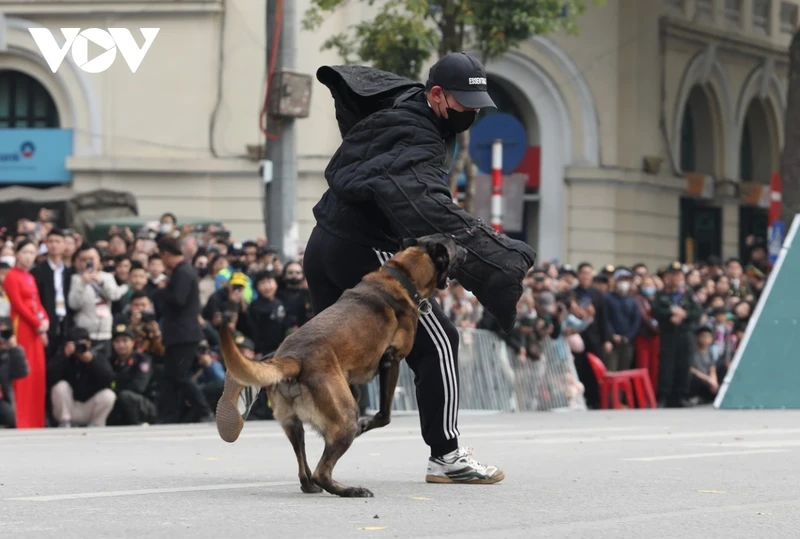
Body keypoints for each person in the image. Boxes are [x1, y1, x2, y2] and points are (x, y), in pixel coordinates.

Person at [216, 53, 536, 483]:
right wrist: (497, 253)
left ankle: (256, 376)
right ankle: (447, 456)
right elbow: (427, 206)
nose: (473, 111)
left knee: (330, 350)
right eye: (465, 102)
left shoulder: (400, 106)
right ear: (437, 95)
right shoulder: (417, 135)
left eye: (478, 102)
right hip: (365, 251)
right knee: (440, 341)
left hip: (324, 243)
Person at [155, 235, 213, 423]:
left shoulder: (183, 272)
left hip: (184, 334)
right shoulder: (183, 270)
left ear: (166, 254)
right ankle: (170, 414)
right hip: (178, 334)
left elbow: (178, 299)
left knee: (179, 375)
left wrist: (163, 290)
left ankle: (204, 410)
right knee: (171, 376)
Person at [3, 239, 49, 428]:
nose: (29, 257)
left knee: (36, 372)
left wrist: (45, 320)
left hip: (35, 328)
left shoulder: (30, 277)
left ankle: (35, 418)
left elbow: (36, 302)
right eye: (25, 252)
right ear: (17, 254)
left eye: (32, 253)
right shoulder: (12, 276)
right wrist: (37, 322)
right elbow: (18, 305)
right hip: (22, 326)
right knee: (23, 372)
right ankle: (21, 418)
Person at [48, 326, 116, 427]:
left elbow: (109, 380)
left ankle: (96, 424)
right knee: (60, 386)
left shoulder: (97, 356)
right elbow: (50, 377)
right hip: (68, 408)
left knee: (109, 395)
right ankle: (64, 423)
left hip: (88, 408)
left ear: (89, 343)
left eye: (82, 344)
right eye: (75, 344)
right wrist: (64, 356)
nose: (78, 348)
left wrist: (92, 362)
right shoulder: (63, 357)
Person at [30, 228, 73, 360]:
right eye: (51, 241)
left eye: (58, 241)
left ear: (64, 245)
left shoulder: (69, 272)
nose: (54, 245)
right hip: (46, 320)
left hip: (65, 321)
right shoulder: (37, 271)